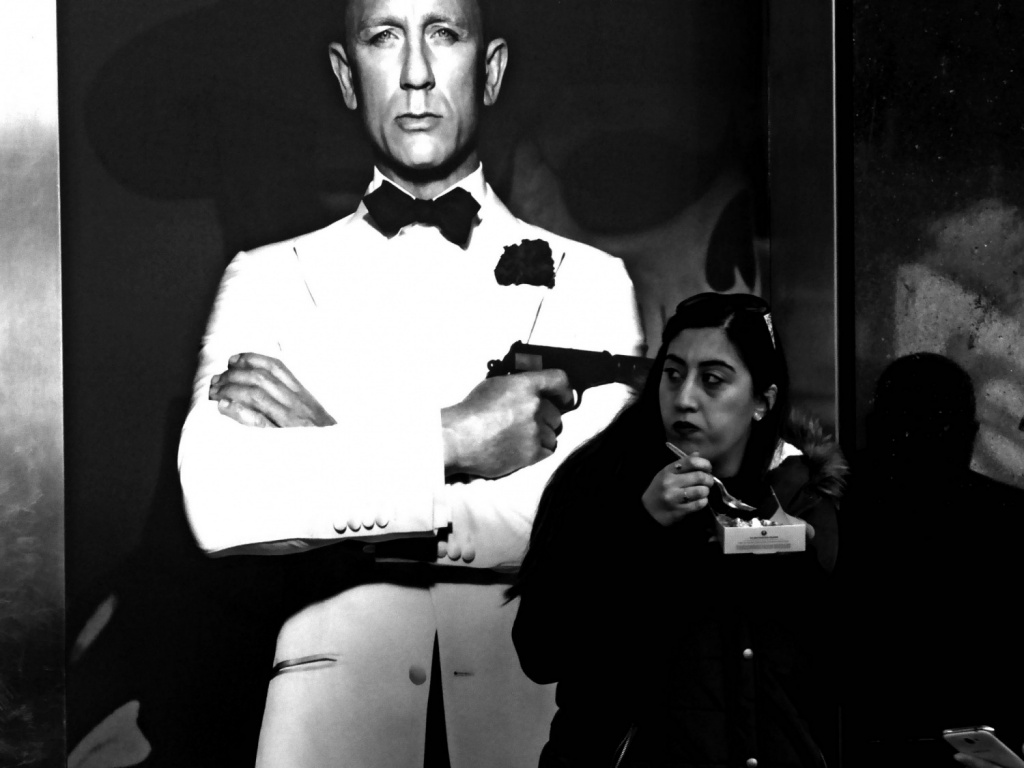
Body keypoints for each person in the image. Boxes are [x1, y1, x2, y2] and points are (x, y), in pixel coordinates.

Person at [176, 0, 644, 765]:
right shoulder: (266, 279)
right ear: (346, 75)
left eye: (444, 34)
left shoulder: (589, 281)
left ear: (490, 71)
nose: (417, 73)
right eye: (385, 36)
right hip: (328, 735)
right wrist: (453, 440)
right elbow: (220, 500)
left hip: (527, 725)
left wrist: (326, 448)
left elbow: (583, 526)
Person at [511, 292, 846, 767]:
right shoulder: (599, 479)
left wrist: (803, 566)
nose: (684, 399)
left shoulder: (800, 497)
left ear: (762, 401)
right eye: (672, 374)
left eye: (712, 380)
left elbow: (838, 675)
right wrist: (641, 528)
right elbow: (540, 652)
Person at [842, 353, 1024, 767]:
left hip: (859, 738)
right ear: (969, 436)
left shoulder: (832, 506)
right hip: (977, 747)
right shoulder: (1007, 519)